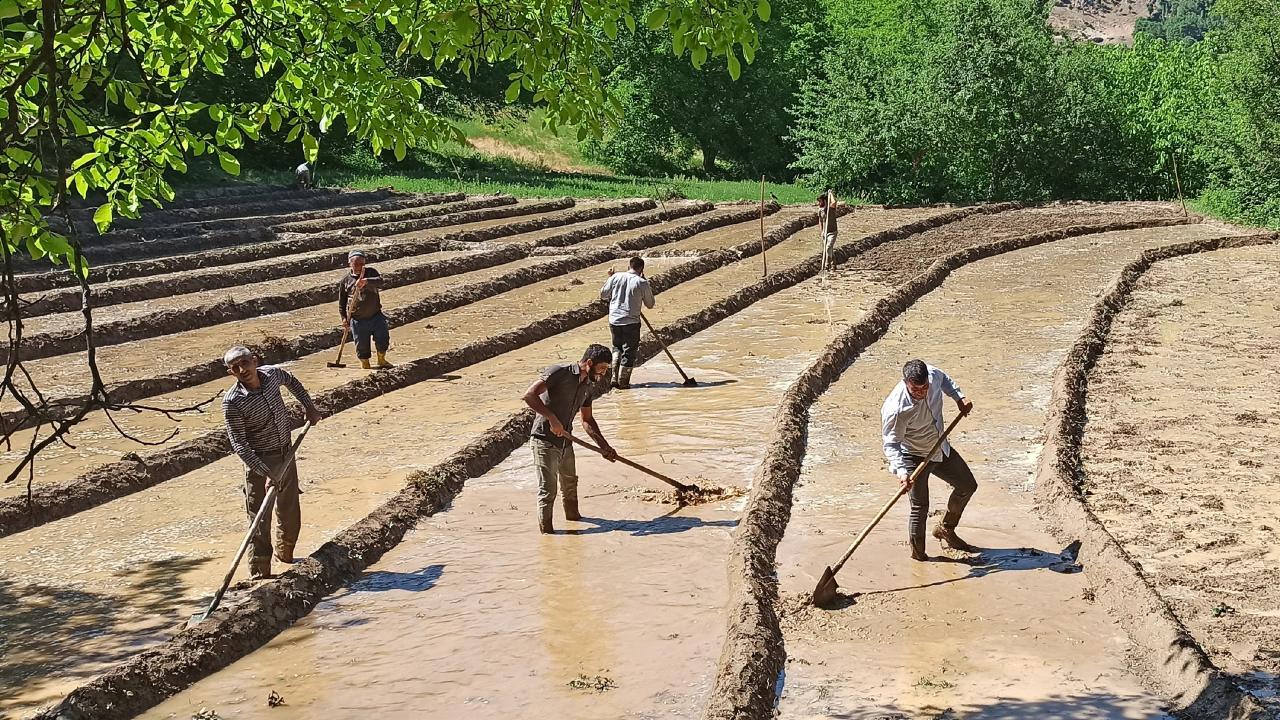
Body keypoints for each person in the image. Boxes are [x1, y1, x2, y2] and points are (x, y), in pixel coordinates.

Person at [221, 346, 324, 579]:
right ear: (231, 373)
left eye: (245, 363)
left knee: (290, 512)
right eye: (235, 368)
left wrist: (309, 407)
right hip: (259, 462)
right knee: (259, 520)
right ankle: (260, 575)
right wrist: (266, 472)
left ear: (254, 360)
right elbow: (239, 445)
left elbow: (293, 382)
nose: (242, 370)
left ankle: (285, 558)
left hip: (286, 454)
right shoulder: (233, 402)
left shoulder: (273, 375)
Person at [881, 358, 977, 561]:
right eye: (916, 390)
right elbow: (891, 444)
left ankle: (946, 528)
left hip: (939, 446)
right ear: (906, 383)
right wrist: (902, 472)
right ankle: (919, 557)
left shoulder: (932, 375)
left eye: (925, 387)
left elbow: (945, 380)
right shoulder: (896, 409)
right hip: (913, 455)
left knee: (967, 485)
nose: (922, 393)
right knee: (920, 507)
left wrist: (959, 398)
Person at [522, 344, 618, 534]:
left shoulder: (588, 386)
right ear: (589, 363)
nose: (603, 373)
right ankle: (548, 536)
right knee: (548, 491)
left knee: (570, 485)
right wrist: (552, 418)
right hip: (544, 440)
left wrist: (604, 447)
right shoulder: (559, 373)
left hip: (566, 442)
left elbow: (587, 420)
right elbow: (529, 395)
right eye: (601, 368)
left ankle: (574, 523)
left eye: (606, 369)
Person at [599, 256, 655, 389]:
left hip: (614, 320)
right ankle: (623, 382)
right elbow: (650, 304)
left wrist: (611, 279)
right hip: (631, 322)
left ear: (628, 267)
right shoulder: (641, 282)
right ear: (641, 269)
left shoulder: (615, 277)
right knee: (629, 351)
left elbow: (603, 294)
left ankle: (614, 377)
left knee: (616, 347)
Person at [338, 249, 391, 370]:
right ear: (349, 263)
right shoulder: (345, 281)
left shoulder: (371, 272)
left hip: (376, 315)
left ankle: (381, 360)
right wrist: (344, 318)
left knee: (383, 339)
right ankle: (365, 366)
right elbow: (342, 302)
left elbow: (381, 282)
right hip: (358, 320)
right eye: (356, 264)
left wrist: (367, 281)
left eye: (362, 264)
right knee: (362, 347)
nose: (359, 267)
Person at [817, 190, 838, 274]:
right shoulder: (820, 210)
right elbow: (820, 221)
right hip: (825, 232)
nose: (819, 203)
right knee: (829, 249)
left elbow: (834, 202)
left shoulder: (831, 208)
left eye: (820, 201)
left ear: (824, 201)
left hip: (832, 232)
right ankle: (833, 264)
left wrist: (831, 194)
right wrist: (822, 231)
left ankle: (827, 264)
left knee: (828, 247)